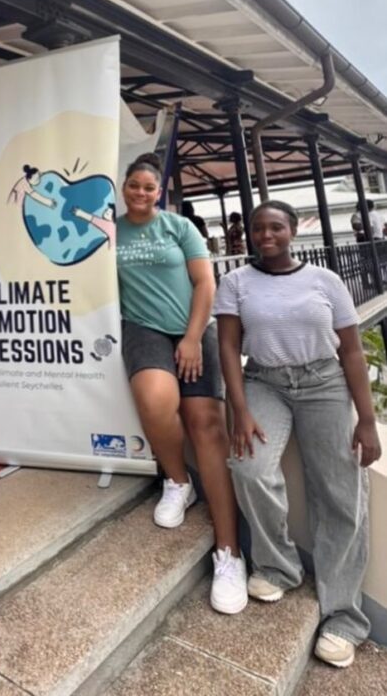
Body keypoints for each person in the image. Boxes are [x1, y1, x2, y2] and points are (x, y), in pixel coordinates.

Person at [214, 200, 381, 669]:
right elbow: (228, 346)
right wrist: (239, 409)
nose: (266, 235)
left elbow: (351, 351)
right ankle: (278, 565)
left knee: (341, 493)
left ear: (292, 231)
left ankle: (343, 617)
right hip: (264, 381)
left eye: (276, 227)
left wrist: (366, 419)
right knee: (249, 468)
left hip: (324, 383)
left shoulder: (325, 280)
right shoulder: (236, 282)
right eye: (258, 228)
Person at [116, 152, 247, 615]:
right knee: (156, 400)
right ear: (123, 186)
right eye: (134, 184)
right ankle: (178, 480)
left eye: (149, 187)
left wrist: (192, 338)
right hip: (143, 328)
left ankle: (229, 554)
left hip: (192, 327)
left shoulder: (179, 227)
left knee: (206, 423)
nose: (141, 192)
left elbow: (205, 284)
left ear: (159, 192)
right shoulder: (109, 232)